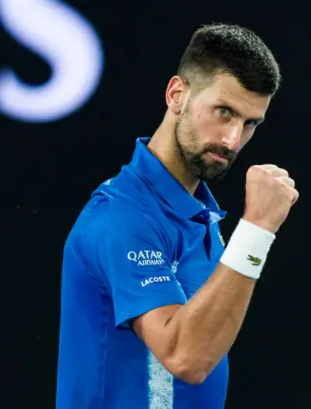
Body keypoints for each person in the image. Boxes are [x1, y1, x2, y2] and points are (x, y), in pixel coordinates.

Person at [55, 23, 298, 409]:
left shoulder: (200, 218)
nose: (233, 140)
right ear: (177, 95)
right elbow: (187, 357)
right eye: (224, 112)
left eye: (250, 123)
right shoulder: (122, 217)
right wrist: (256, 230)